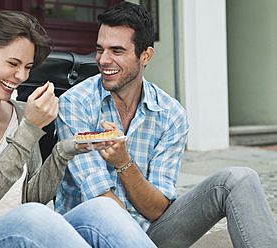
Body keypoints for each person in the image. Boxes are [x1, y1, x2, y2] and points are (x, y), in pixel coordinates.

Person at [0, 10, 157, 248]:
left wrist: (64, 151)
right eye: (13, 63)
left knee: (102, 208)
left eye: (28, 67)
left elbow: (32, 197)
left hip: (23, 236)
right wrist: (30, 128)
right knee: (32, 216)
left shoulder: (20, 112)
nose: (21, 75)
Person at [54, 2, 277, 247]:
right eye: (100, 49)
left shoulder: (171, 114)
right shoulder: (74, 104)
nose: (103, 60)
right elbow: (101, 202)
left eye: (116, 51)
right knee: (103, 210)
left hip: (150, 233)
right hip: (87, 235)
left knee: (239, 179)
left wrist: (123, 163)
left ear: (146, 55)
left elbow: (157, 209)